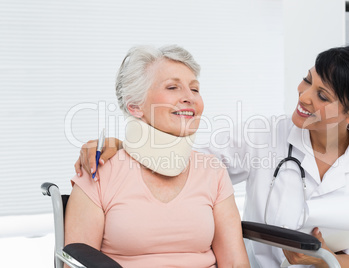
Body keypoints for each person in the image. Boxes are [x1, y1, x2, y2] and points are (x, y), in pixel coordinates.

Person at [75, 43, 349, 268]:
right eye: (307, 80)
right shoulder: (262, 136)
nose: (304, 96)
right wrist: (122, 143)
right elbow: (181, 159)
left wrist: (321, 259)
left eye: (322, 95)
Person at [65, 44, 250, 268]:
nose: (189, 97)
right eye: (173, 87)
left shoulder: (212, 171)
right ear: (134, 106)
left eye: (195, 89)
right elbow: (75, 265)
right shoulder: (98, 171)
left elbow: (235, 264)